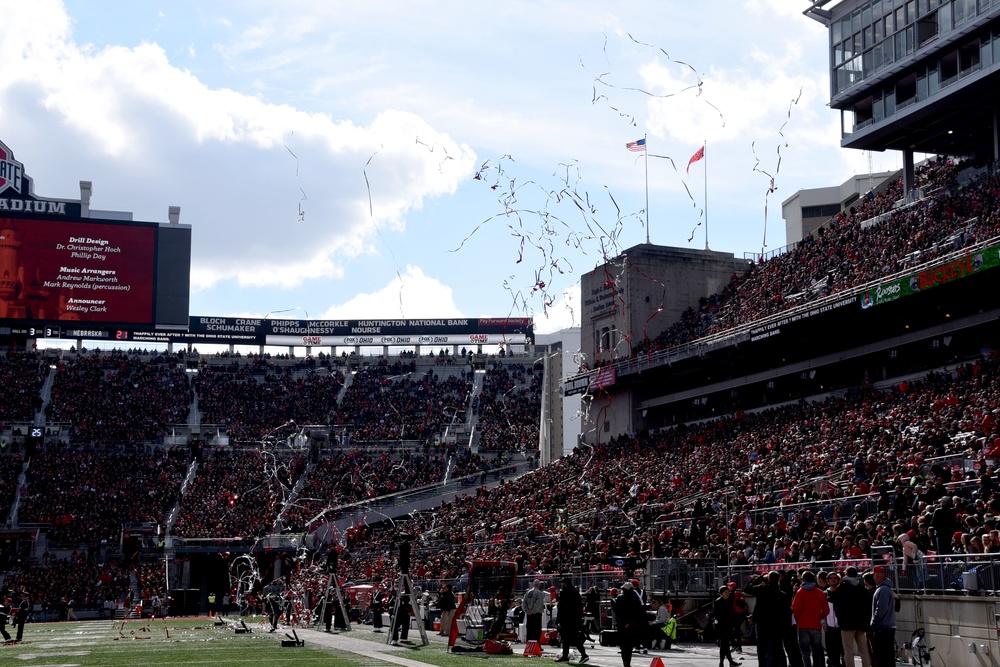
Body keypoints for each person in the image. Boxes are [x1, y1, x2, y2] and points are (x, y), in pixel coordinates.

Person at [745, 571, 789, 667]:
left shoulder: (762, 589)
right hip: (776, 624)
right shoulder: (782, 594)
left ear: (768, 578)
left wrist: (759, 578)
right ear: (778, 579)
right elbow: (786, 612)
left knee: (761, 648)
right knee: (775, 648)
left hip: (762, 623)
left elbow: (747, 589)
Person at [829, 566, 870, 667]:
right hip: (860, 623)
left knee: (848, 650)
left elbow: (835, 603)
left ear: (846, 574)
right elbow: (866, 606)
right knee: (864, 650)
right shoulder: (861, 587)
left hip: (846, 624)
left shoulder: (842, 587)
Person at [791, 570, 828, 667]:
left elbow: (795, 608)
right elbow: (826, 610)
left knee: (805, 651)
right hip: (816, 624)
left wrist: (798, 619)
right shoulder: (820, 593)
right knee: (816, 649)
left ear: (803, 579)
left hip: (803, 625)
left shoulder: (800, 592)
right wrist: (820, 617)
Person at [554, 577, 589, 663]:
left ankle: (581, 655)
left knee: (568, 638)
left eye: (562, 583)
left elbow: (562, 607)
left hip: (567, 619)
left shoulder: (566, 592)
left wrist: (558, 619)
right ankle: (573, 655)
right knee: (572, 637)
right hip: (573, 619)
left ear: (565, 583)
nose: (561, 585)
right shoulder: (574, 591)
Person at [615, 581, 647, 667]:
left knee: (623, 647)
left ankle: (625, 664)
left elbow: (617, 612)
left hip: (622, 624)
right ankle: (627, 664)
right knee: (628, 647)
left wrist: (622, 622)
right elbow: (638, 613)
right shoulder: (636, 599)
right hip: (632, 625)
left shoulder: (620, 598)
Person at [870, 566, 896, 667]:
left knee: (883, 657)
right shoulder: (886, 588)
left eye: (874, 575)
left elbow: (881, 609)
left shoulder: (883, 590)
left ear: (878, 576)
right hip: (886, 627)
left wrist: (874, 622)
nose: (873, 578)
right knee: (887, 656)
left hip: (883, 628)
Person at [714, 585, 741, 667]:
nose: (727, 594)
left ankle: (727, 662)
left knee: (725, 646)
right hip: (722, 626)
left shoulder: (727, 601)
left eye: (728, 592)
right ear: (721, 593)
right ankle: (725, 662)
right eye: (725, 592)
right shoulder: (719, 601)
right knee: (724, 645)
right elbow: (717, 614)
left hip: (727, 626)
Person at [822, 572, 844, 667]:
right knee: (831, 650)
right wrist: (823, 623)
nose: (833, 579)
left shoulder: (842, 592)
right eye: (831, 578)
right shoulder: (824, 593)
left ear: (838, 580)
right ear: (828, 580)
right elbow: (821, 609)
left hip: (841, 627)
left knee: (843, 650)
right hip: (829, 627)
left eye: (835, 578)